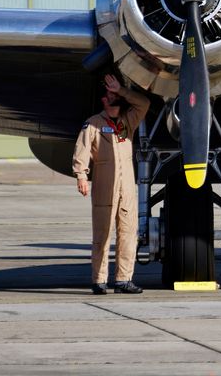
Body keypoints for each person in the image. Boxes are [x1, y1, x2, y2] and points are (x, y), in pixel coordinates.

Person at [73, 73, 151, 294]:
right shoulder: (93, 124)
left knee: (128, 234)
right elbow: (82, 150)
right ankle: (99, 280)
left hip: (126, 189)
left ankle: (123, 280)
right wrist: (81, 176)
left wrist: (122, 89)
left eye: (115, 93)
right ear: (103, 100)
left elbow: (144, 103)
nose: (113, 96)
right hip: (104, 188)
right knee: (102, 235)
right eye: (109, 93)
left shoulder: (129, 121)